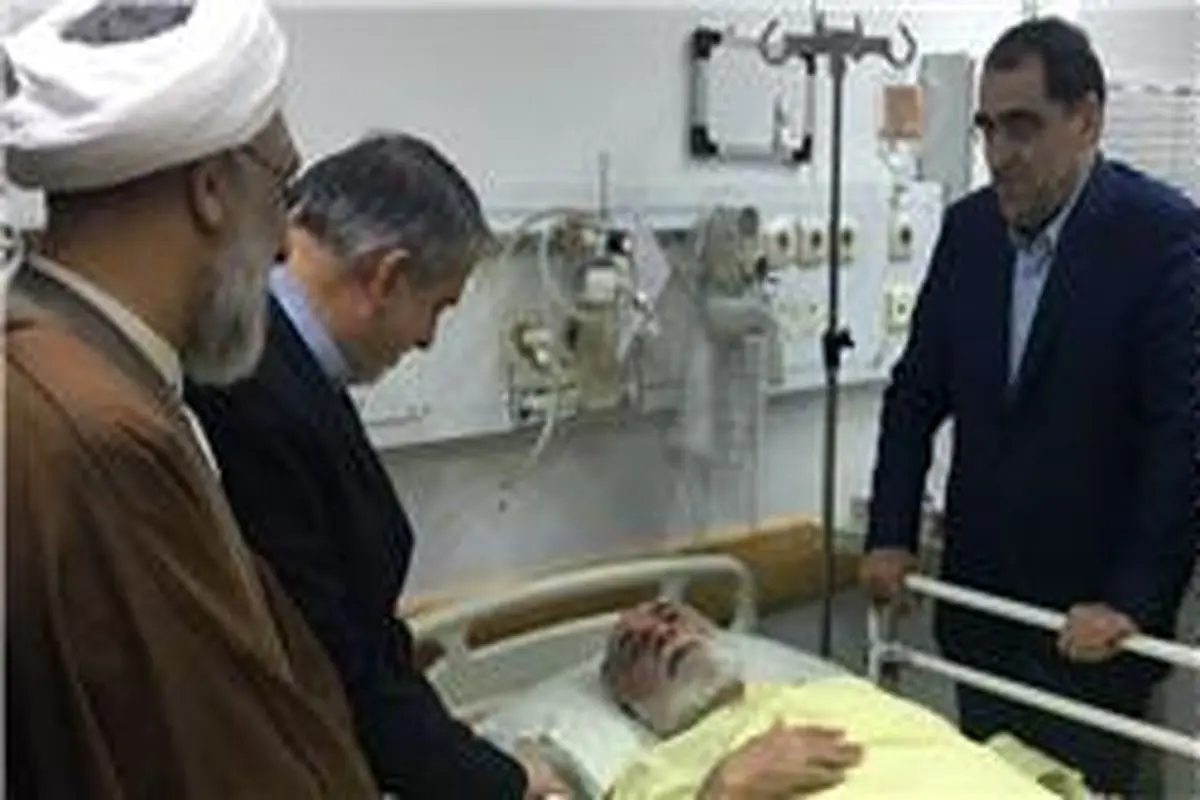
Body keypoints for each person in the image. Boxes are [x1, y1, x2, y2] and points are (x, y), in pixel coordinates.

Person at [3, 2, 380, 797]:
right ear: (210, 189)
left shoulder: (65, 369)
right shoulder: (100, 440)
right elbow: (227, 762)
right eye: (282, 189)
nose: (284, 246)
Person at [859, 16, 1197, 796]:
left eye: (1024, 127)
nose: (999, 152)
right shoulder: (969, 233)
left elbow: (1181, 439)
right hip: (979, 612)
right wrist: (890, 533)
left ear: (1087, 120)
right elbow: (915, 395)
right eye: (988, 128)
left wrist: (1131, 600)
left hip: (1091, 630)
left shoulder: (1159, 240)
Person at [184, 132, 574, 798]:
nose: (426, 339)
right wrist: (503, 783)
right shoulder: (252, 394)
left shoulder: (282, 366)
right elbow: (335, 662)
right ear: (388, 276)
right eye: (438, 307)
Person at [597, 600, 1074, 799]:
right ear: (628, 704)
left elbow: (953, 749)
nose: (661, 633)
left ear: (712, 632)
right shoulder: (647, 777)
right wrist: (725, 788)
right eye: (635, 647)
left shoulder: (838, 690)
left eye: (671, 617)